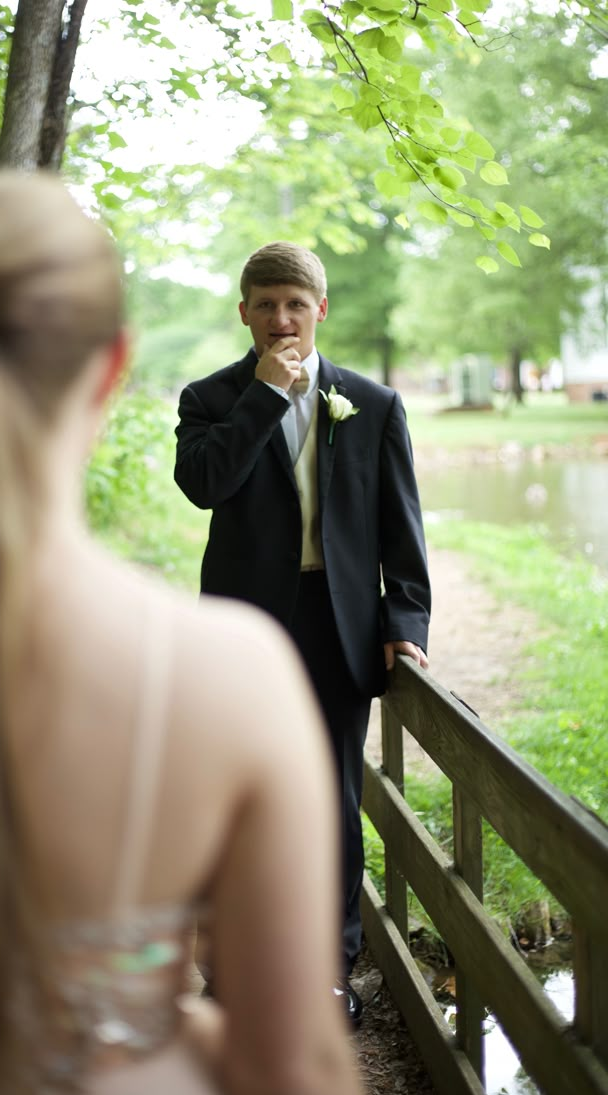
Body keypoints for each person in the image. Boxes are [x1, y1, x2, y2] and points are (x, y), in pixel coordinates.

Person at [0, 177, 367, 1095]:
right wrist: (165, 1026)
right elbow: (294, 1070)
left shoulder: (361, 404)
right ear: (112, 367)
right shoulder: (230, 677)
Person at [174, 241, 431, 1025]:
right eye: (265, 304)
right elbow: (203, 486)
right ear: (244, 311)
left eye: (295, 304)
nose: (281, 319)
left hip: (338, 625)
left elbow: (401, 527)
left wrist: (405, 620)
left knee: (332, 795)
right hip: (244, 628)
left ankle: (330, 971)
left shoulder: (374, 403)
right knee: (239, 798)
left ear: (321, 308)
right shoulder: (211, 396)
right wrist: (263, 397)